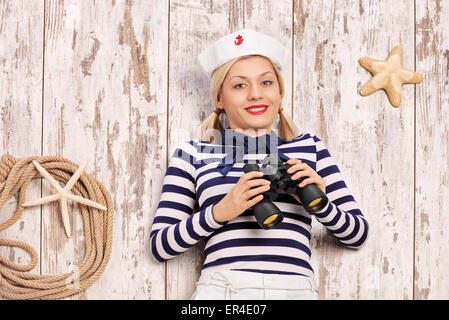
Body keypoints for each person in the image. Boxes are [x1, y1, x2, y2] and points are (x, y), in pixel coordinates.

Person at [149, 29, 368, 300]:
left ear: (279, 91)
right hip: (223, 290)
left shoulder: (309, 147)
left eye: (266, 83)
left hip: (296, 290)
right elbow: (160, 246)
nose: (255, 94)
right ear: (219, 97)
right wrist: (220, 211)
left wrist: (321, 202)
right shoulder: (193, 153)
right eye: (239, 85)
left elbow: (357, 235)